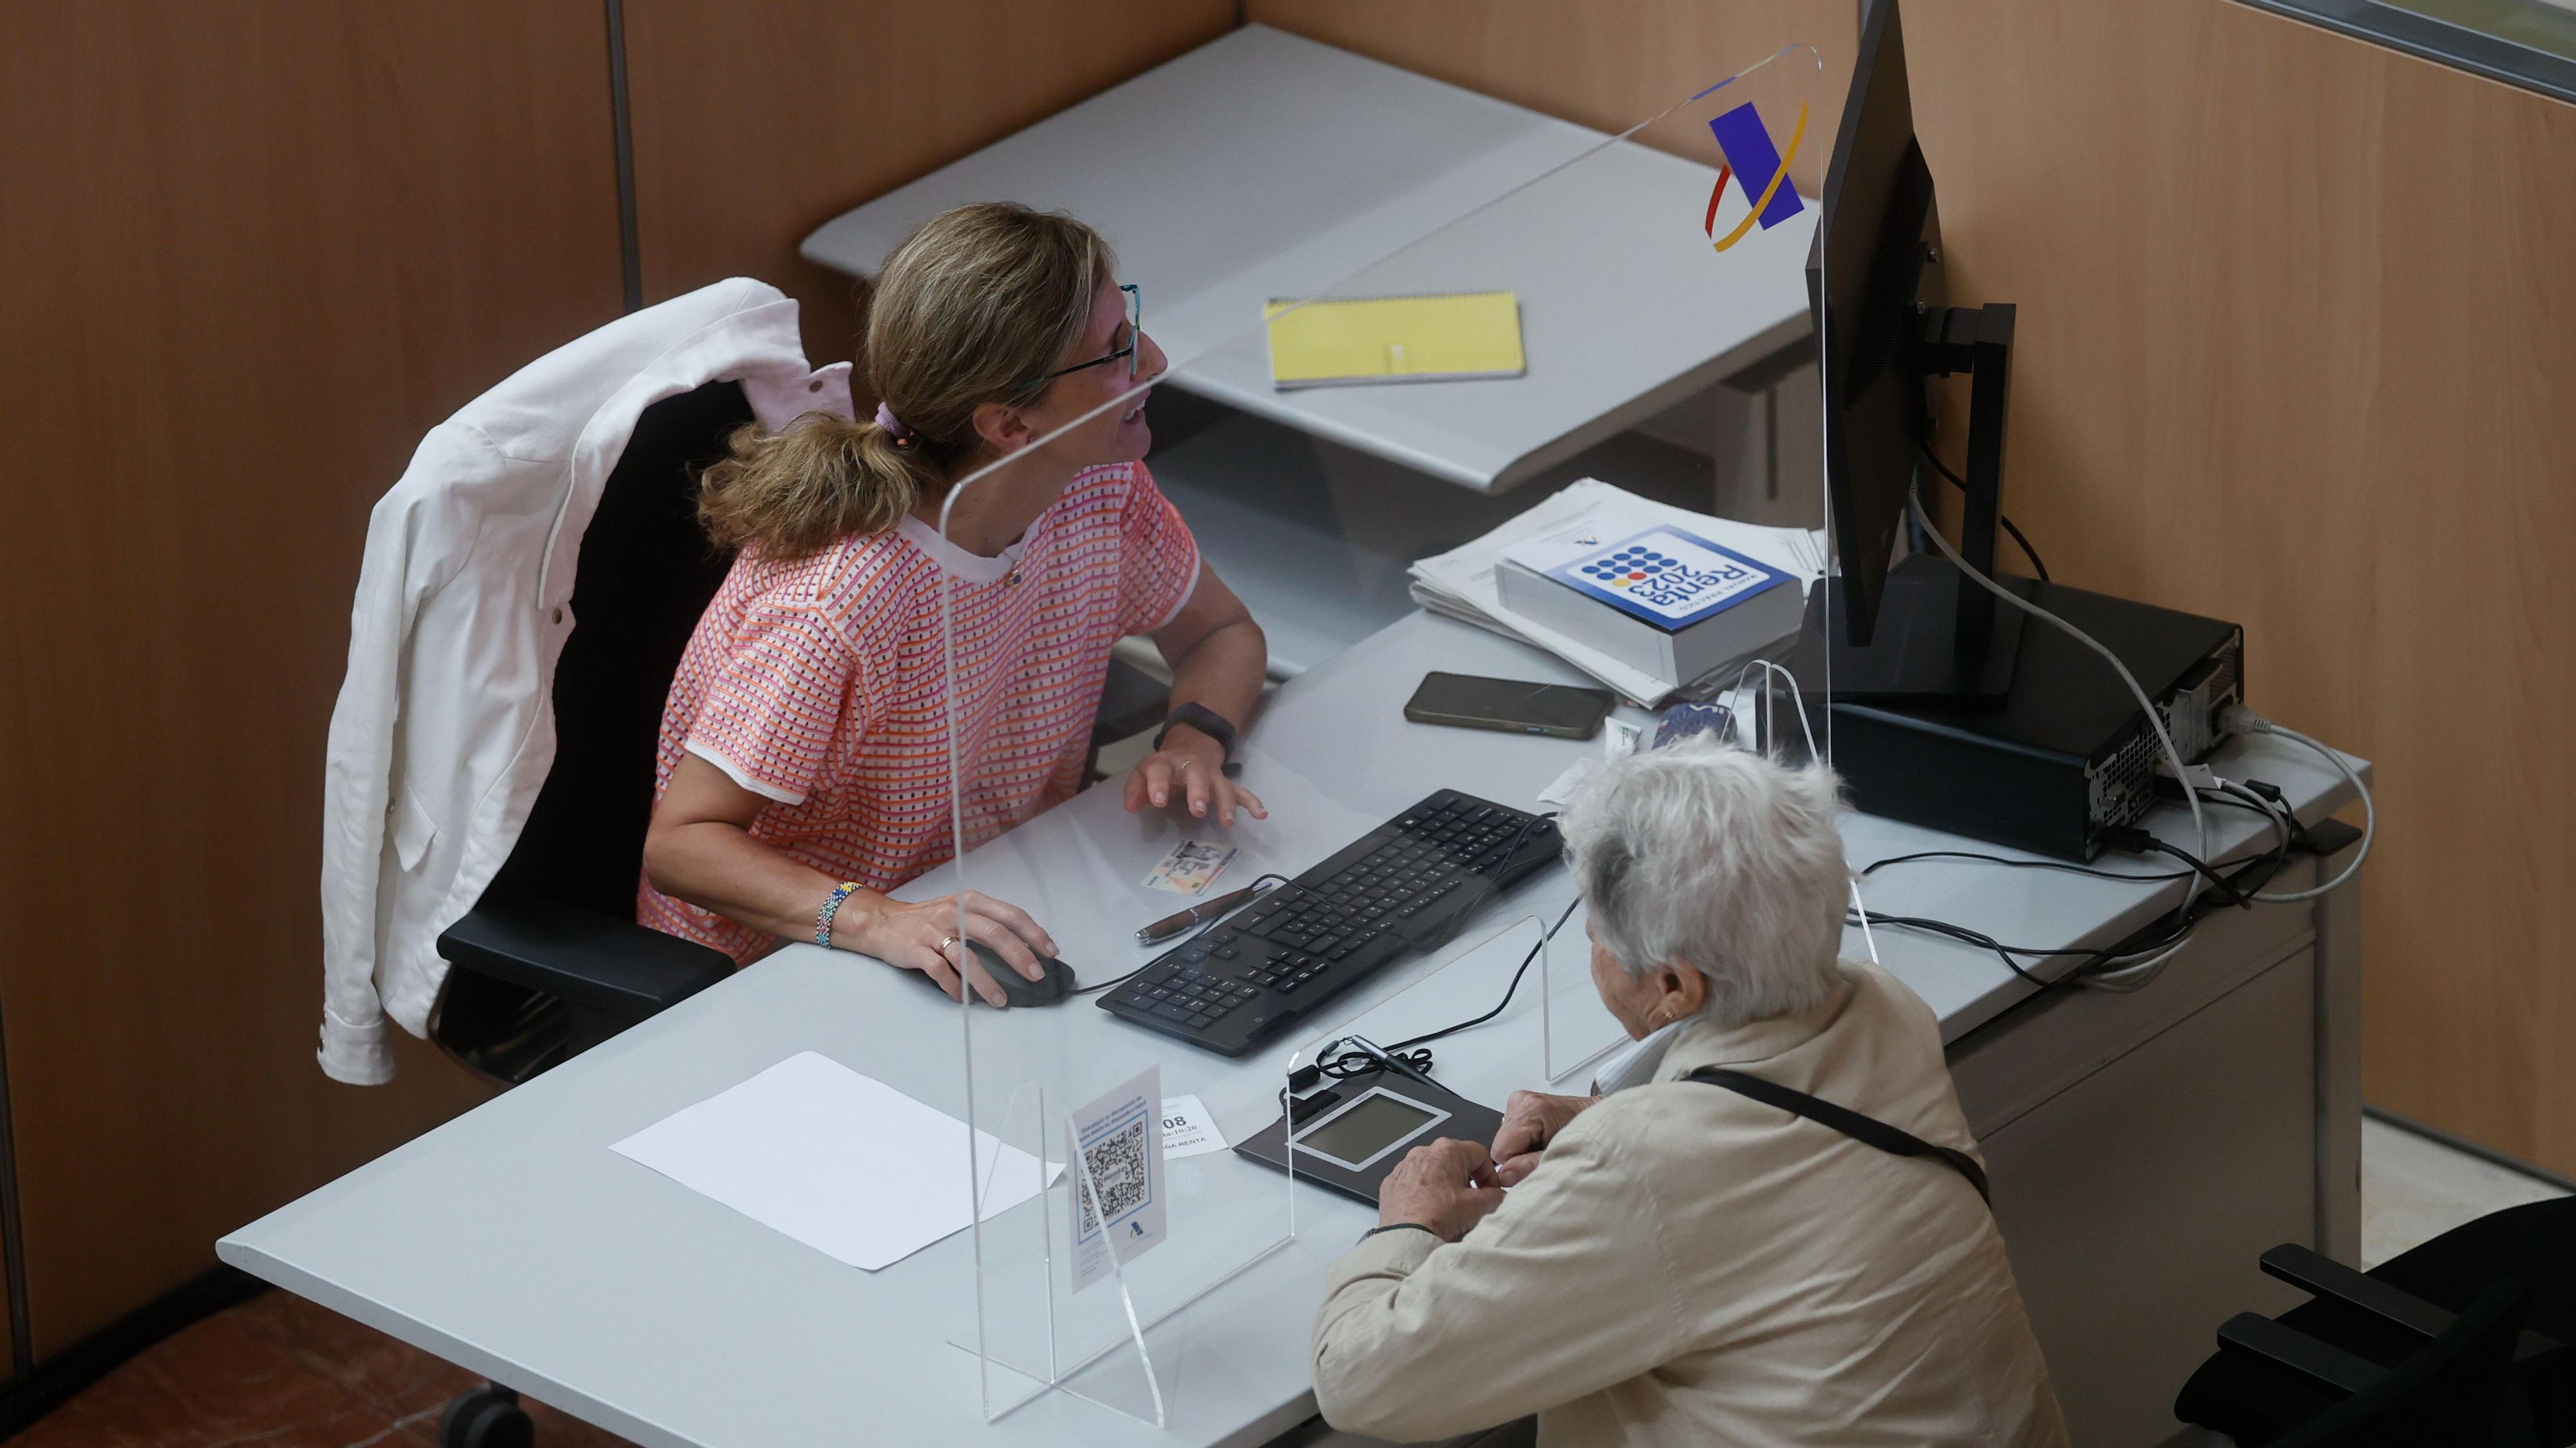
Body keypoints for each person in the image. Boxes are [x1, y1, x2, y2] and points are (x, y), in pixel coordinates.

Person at [1309, 738, 2069, 1447]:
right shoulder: (1886, 1007)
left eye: (1597, 933)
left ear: (1674, 984)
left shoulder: (1639, 1166)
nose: (1591, 946)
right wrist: (1607, 1118)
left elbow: (1358, 1380)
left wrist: (1409, 1220)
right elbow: (1763, 1152)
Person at [638, 203, 1269, 1004]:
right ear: (1009, 424)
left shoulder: (1096, 486)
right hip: (799, 966)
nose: (1154, 361)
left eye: (1130, 326)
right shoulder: (839, 601)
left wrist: (1195, 737)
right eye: (1114, 351)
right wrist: (880, 919)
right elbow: (683, 844)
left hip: (997, 902)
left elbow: (1221, 632)